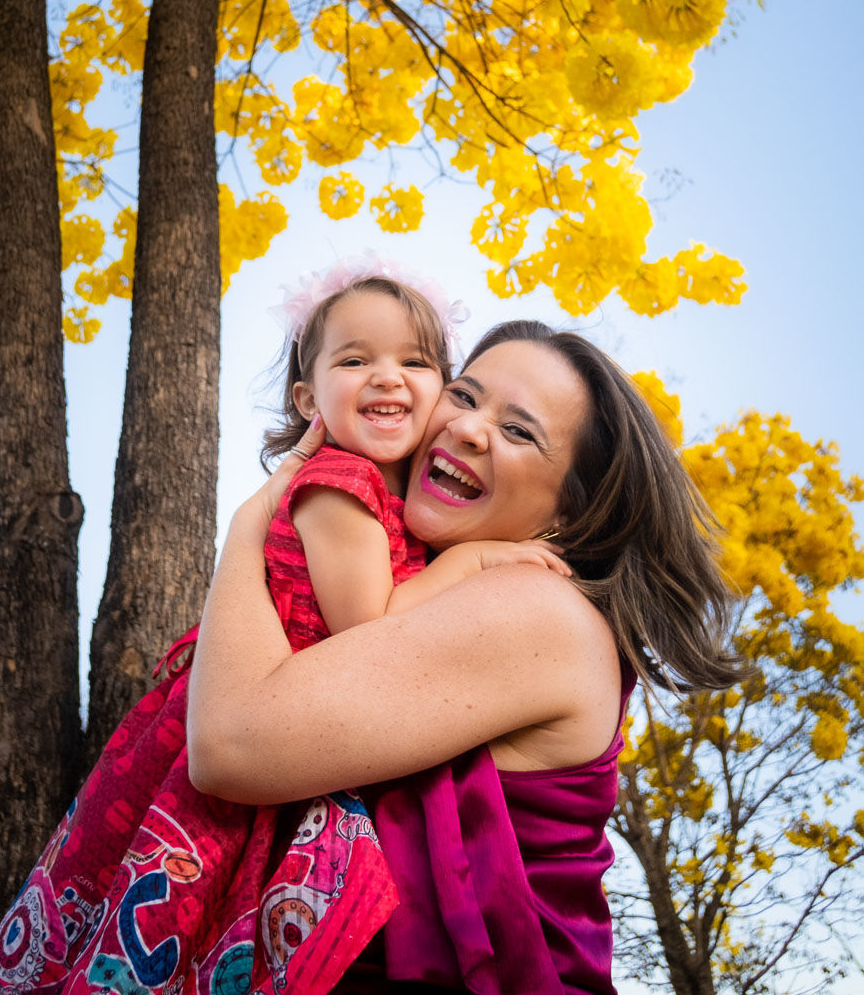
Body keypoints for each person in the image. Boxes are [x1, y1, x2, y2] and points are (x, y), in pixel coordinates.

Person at [0, 267, 566, 995]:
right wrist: (475, 559)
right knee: (188, 908)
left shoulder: (380, 496)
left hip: (274, 719)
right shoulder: (340, 486)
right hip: (247, 722)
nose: (387, 377)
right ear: (308, 399)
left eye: (415, 361)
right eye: (354, 360)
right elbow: (370, 627)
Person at [188, 320, 745, 994]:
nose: (469, 429)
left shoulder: (539, 612)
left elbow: (228, 745)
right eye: (463, 395)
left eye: (518, 431)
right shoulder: (421, 586)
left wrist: (252, 522)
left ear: (567, 515)